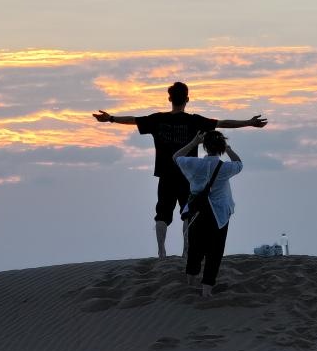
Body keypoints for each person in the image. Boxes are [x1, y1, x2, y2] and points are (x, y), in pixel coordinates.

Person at [92, 82, 267, 258]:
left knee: (162, 214)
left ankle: (161, 251)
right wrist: (249, 122)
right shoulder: (194, 121)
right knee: (188, 212)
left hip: (165, 174)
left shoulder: (158, 119)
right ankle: (186, 250)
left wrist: (111, 118)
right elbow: (223, 123)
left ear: (170, 98)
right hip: (188, 175)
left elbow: (133, 120)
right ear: (187, 99)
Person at [173, 130, 242, 297]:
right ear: (221, 147)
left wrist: (193, 143)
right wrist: (229, 149)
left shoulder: (194, 164)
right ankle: (207, 290)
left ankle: (190, 283)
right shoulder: (225, 168)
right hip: (219, 215)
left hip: (197, 212)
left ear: (205, 147)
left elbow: (176, 157)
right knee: (215, 252)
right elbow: (239, 163)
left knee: (195, 249)